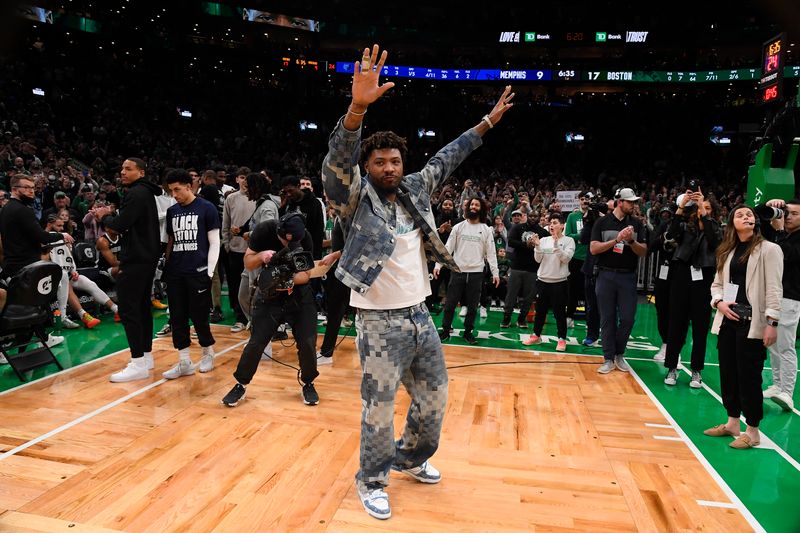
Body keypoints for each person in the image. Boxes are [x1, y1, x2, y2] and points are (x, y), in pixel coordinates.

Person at [322, 44, 514, 520]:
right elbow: (335, 167)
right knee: (379, 408)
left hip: (419, 314)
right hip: (378, 322)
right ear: (368, 168)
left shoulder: (415, 187)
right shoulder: (354, 199)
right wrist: (357, 110)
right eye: (380, 162)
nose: (389, 167)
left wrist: (487, 122)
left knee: (433, 402)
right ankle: (371, 480)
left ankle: (409, 458)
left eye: (394, 161)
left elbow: (451, 155)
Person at [220, 213, 319, 407]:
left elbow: (306, 274)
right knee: (256, 342)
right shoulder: (264, 230)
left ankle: (308, 382)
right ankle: (240, 383)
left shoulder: (305, 237)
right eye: (284, 239)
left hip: (298, 295)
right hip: (268, 296)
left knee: (307, 341)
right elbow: (248, 263)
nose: (288, 243)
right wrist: (261, 256)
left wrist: (286, 281)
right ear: (279, 232)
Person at [705, 205, 782, 449]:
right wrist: (719, 303)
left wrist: (772, 322)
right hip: (729, 320)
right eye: (740, 214)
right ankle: (732, 423)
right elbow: (717, 284)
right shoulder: (726, 250)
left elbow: (774, 288)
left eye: (749, 214)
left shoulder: (769, 250)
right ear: (731, 223)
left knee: (749, 377)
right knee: (728, 373)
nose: (746, 216)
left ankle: (753, 430)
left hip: (753, 323)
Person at [99, 158, 162, 382]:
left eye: (128, 169)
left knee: (128, 309)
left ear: (141, 172)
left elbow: (119, 224)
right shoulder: (145, 192)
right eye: (122, 168)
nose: (122, 172)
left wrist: (104, 216)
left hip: (136, 258)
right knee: (142, 307)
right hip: (146, 257)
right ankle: (145, 357)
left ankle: (138, 363)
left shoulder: (136, 193)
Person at [160, 169, 220, 380]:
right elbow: (171, 241)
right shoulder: (172, 211)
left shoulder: (207, 208)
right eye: (170, 191)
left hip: (198, 272)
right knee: (177, 317)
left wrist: (210, 272)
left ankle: (207, 352)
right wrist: (165, 268)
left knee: (199, 316)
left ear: (189, 186)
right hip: (176, 271)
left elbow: (215, 242)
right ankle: (184, 360)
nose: (174, 194)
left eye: (177, 189)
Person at [0, 174, 69, 347]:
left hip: (14, 264)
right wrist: (62, 235)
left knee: (36, 302)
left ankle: (43, 338)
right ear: (15, 189)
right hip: (25, 267)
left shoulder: (7, 209)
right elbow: (41, 236)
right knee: (37, 301)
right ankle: (35, 340)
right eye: (27, 188)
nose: (31, 191)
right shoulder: (22, 210)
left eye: (33, 188)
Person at [662, 189, 721, 388]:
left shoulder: (716, 228)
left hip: (703, 278)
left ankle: (696, 370)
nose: (702, 210)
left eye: (707, 208)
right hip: (681, 275)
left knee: (700, 327)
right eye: (699, 207)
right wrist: (681, 207)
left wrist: (704, 209)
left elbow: (714, 242)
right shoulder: (685, 226)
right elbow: (671, 234)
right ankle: (671, 367)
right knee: (676, 323)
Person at [590, 188, 647, 374]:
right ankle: (608, 357)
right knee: (607, 318)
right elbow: (594, 249)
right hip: (605, 275)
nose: (633, 205)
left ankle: (619, 353)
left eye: (634, 202)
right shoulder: (602, 222)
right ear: (619, 202)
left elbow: (643, 251)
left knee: (628, 318)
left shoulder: (637, 224)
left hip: (627, 276)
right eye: (630, 202)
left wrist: (630, 241)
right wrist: (617, 240)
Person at [435, 197, 499, 345]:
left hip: (477, 273)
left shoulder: (486, 230)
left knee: (472, 306)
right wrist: (438, 265)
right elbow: (448, 248)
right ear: (467, 207)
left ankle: (468, 332)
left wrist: (495, 273)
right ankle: (445, 330)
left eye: (476, 205)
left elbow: (491, 253)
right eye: (471, 204)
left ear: (481, 209)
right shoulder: (458, 227)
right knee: (450, 304)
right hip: (458, 271)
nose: (473, 207)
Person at [762, 198, 800, 411]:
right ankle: (777, 385)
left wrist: (779, 232)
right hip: (775, 295)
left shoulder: (790, 238)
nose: (789, 217)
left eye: (794, 213)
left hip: (791, 298)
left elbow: (786, 255)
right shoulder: (784, 235)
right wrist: (771, 205)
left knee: (786, 346)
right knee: (773, 345)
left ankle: (787, 392)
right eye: (787, 212)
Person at [523, 212, 575, 351]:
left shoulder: (569, 241)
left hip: (560, 282)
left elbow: (566, 259)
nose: (552, 225)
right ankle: (536, 335)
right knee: (540, 311)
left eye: (555, 223)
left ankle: (562, 339)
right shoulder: (544, 240)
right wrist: (538, 246)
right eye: (550, 223)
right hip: (542, 281)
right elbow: (537, 260)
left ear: (562, 225)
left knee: (559, 312)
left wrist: (557, 245)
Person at [500, 209, 548, 328]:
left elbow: (546, 248)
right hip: (516, 267)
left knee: (529, 297)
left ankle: (522, 319)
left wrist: (536, 245)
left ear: (539, 218)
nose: (532, 218)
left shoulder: (543, 232)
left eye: (535, 216)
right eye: (530, 216)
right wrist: (525, 245)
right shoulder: (518, 228)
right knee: (511, 295)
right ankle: (506, 318)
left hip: (533, 269)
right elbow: (510, 242)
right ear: (526, 216)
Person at [222, 168, 256, 333]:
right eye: (242, 177)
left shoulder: (258, 198)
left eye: (247, 178)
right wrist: (227, 244)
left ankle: (253, 317)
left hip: (253, 250)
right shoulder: (231, 198)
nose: (244, 181)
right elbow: (225, 223)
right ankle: (240, 318)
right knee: (235, 284)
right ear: (237, 179)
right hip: (235, 249)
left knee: (252, 285)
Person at [648, 205, 675, 360]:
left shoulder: (688, 225)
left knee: (678, 314)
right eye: (663, 214)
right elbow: (651, 247)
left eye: (668, 214)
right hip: (664, 273)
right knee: (662, 311)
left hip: (681, 275)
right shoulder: (663, 226)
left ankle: (675, 348)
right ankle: (665, 344)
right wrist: (661, 237)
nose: (666, 216)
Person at [564, 191, 592, 328]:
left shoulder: (595, 216)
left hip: (590, 258)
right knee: (572, 289)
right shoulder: (572, 216)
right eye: (582, 199)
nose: (584, 201)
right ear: (578, 201)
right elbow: (568, 234)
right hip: (575, 257)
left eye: (587, 199)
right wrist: (581, 236)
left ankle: (590, 320)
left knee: (590, 291)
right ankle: (569, 317)